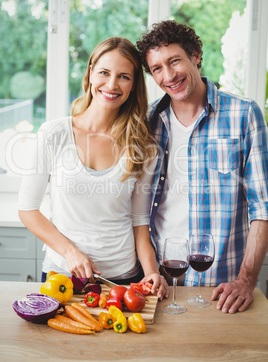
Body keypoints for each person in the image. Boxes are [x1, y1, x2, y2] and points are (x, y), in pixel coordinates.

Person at [18, 37, 168, 299]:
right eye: (104, 73)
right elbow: (27, 210)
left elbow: (139, 221)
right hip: (63, 274)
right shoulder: (54, 134)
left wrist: (151, 272)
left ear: (133, 85)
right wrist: (69, 251)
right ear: (90, 73)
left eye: (123, 76)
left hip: (122, 279)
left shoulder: (143, 146)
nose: (111, 84)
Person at [136, 20, 268, 312]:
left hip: (222, 290)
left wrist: (246, 280)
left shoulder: (244, 114)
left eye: (174, 61)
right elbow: (136, 208)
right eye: (157, 68)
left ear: (195, 55)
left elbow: (263, 207)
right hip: (160, 285)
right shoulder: (147, 121)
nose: (168, 75)